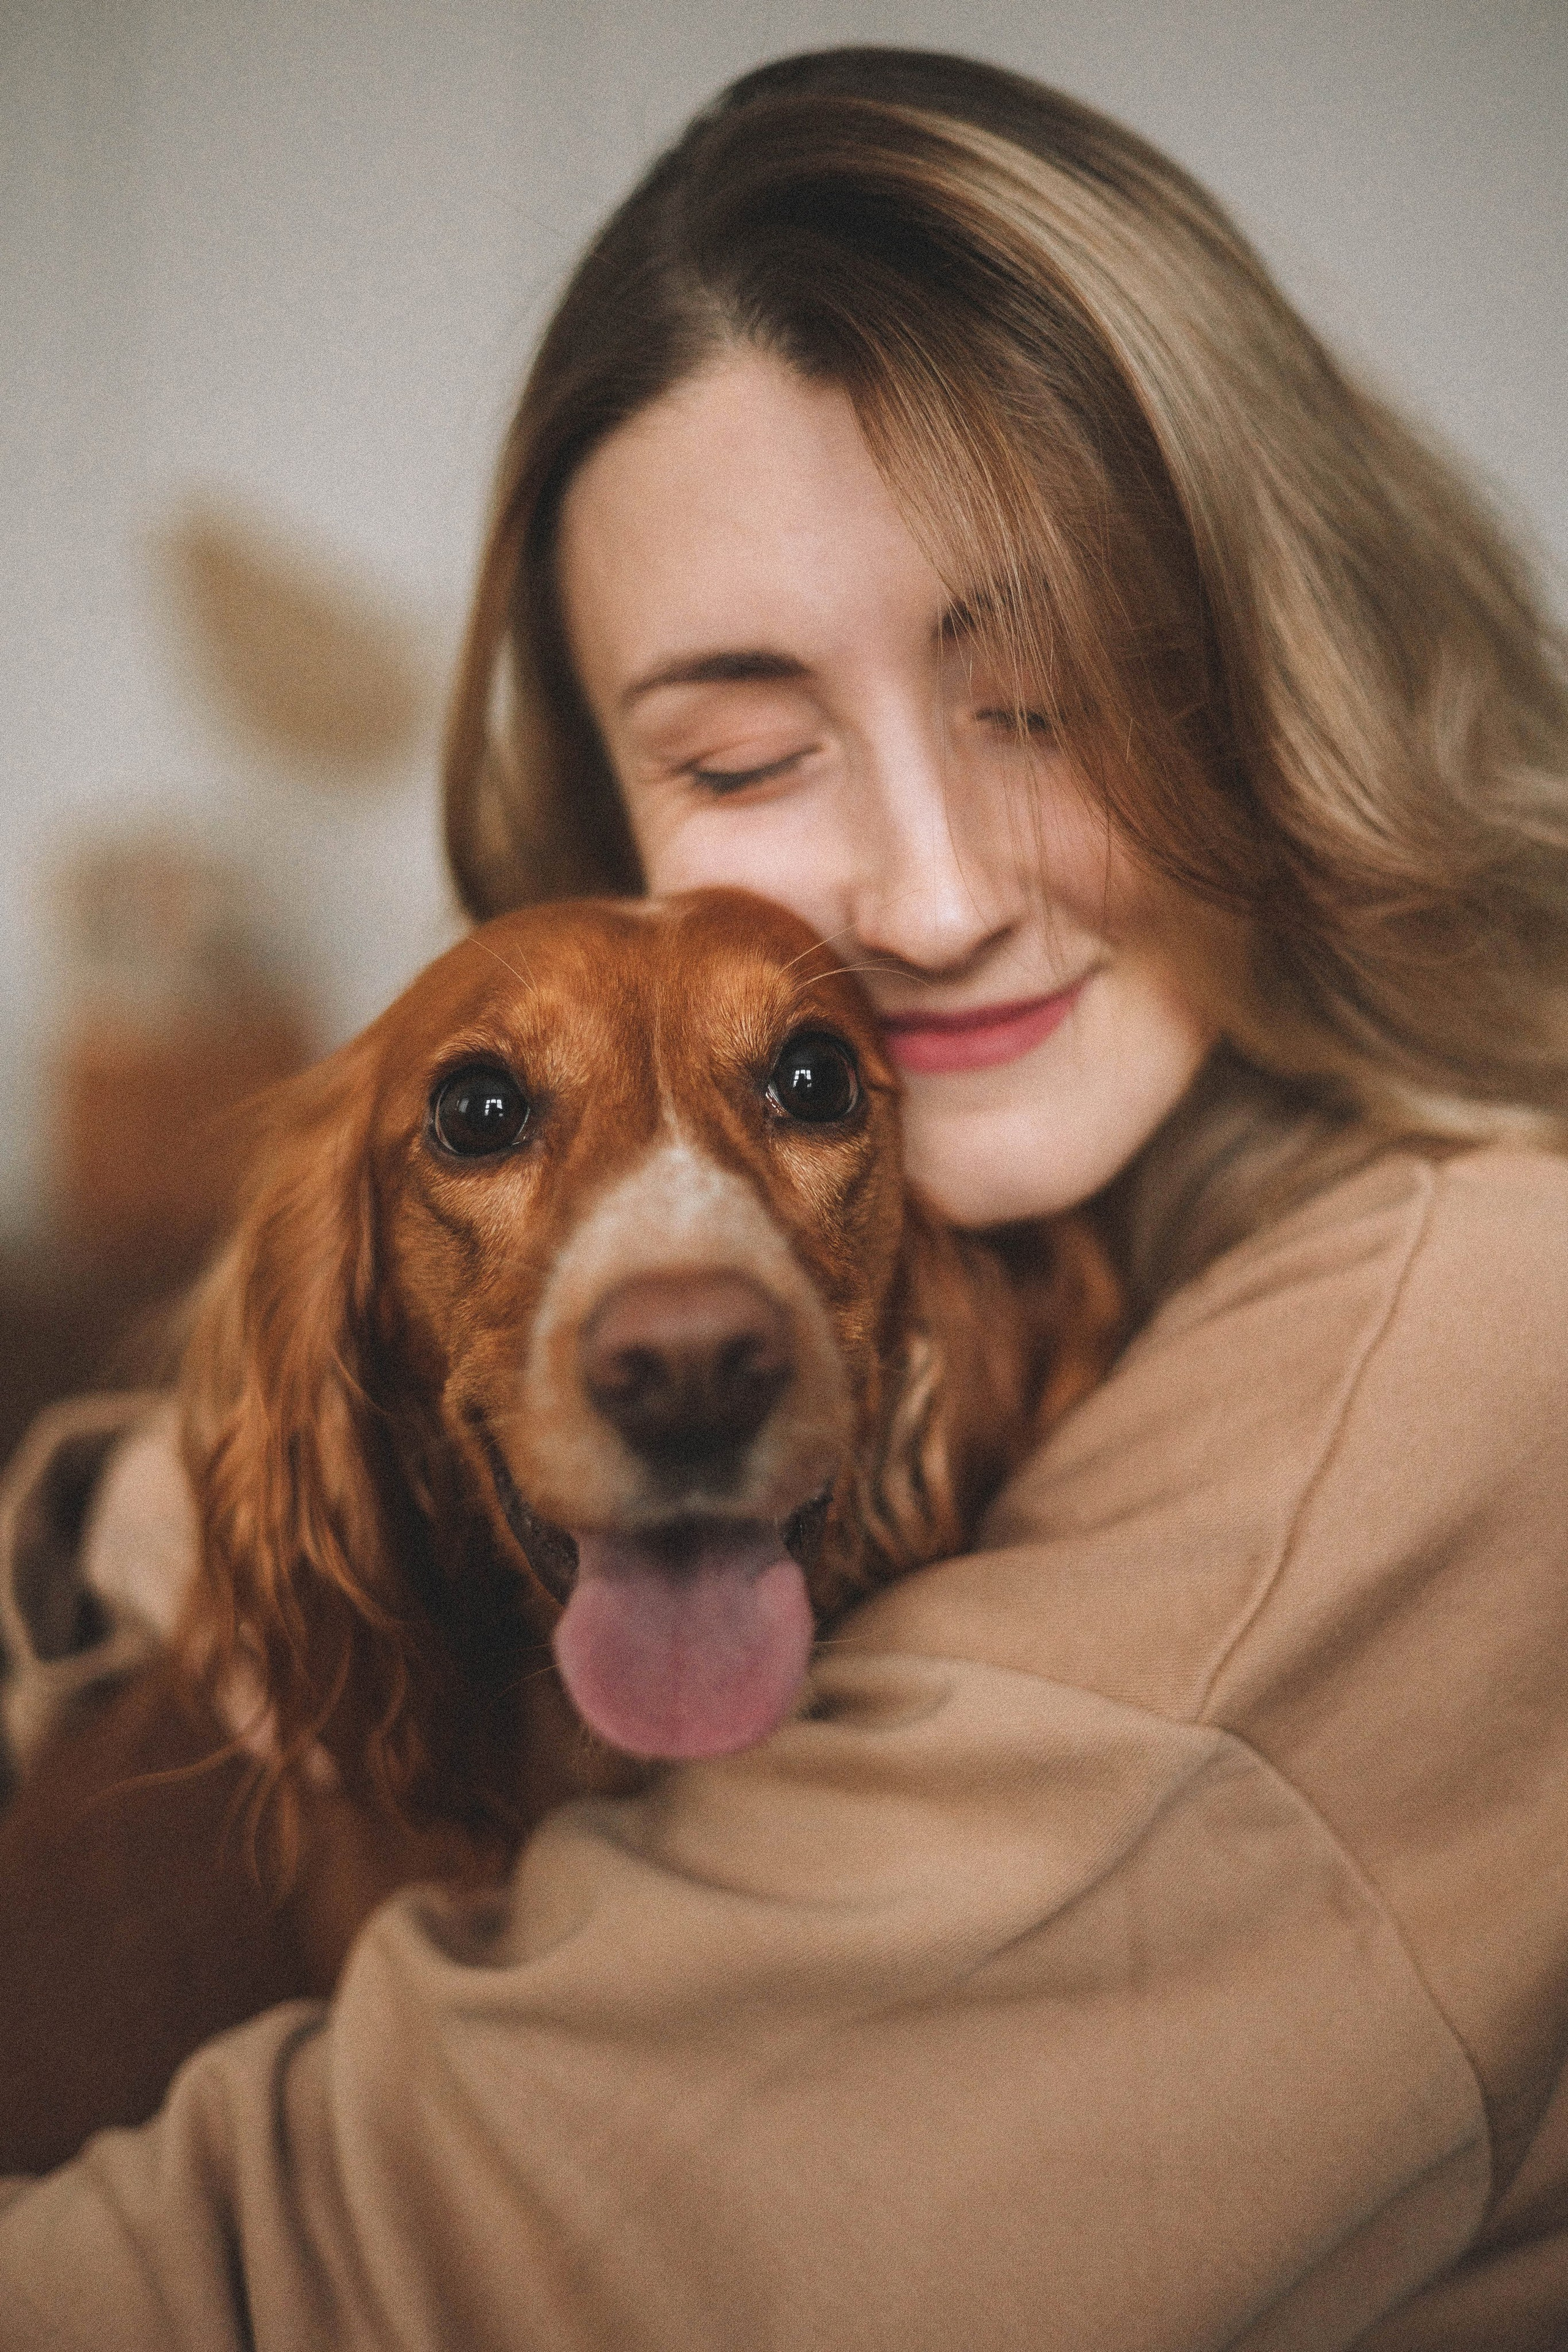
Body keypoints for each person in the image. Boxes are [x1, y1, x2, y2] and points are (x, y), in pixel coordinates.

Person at [3, 42, 1567, 2350]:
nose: (928, 899)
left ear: (1271, 671)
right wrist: (167, 1515)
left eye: (1044, 703)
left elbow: (406, 2271)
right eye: (738, 751)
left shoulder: (1471, 1331)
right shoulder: (1095, 1236)